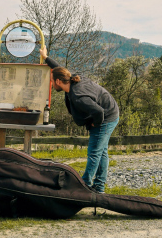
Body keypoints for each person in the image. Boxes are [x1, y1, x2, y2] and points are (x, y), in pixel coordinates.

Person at [40, 47, 119, 193]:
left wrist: (97, 124)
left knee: (94, 152)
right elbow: (58, 68)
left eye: (52, 81)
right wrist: (45, 57)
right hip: (106, 110)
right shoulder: (71, 78)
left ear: (58, 81)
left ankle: (84, 186)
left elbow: (98, 111)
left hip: (106, 116)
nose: (51, 84)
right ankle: (99, 187)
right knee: (101, 152)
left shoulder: (78, 96)